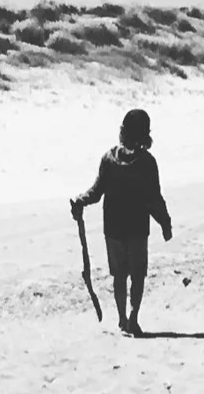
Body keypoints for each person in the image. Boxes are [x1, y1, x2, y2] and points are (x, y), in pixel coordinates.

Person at [71, 107, 173, 336]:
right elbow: (154, 198)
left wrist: (81, 200)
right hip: (135, 229)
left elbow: (96, 192)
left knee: (120, 275)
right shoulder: (147, 163)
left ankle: (123, 319)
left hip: (114, 228)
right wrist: (165, 222)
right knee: (137, 275)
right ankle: (132, 319)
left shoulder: (109, 159)